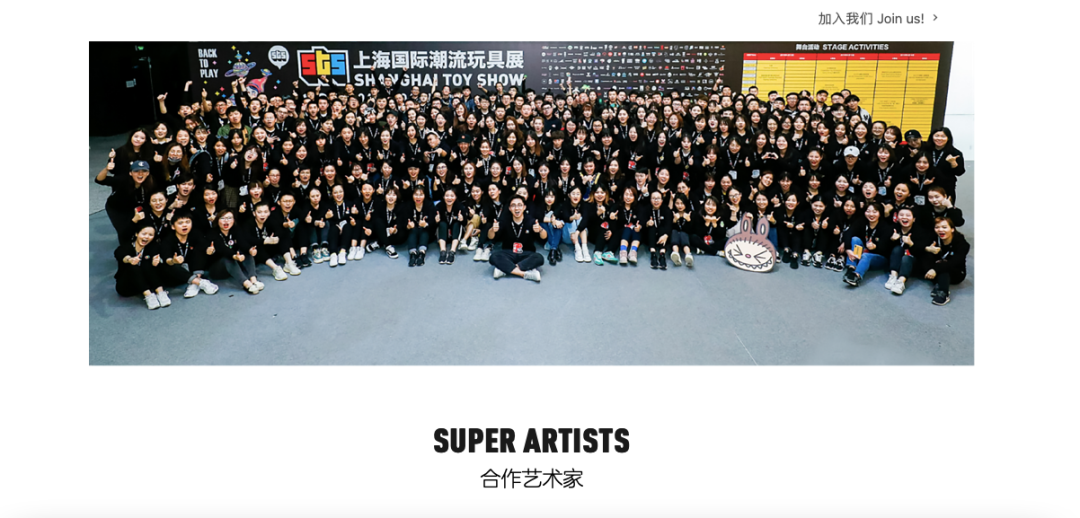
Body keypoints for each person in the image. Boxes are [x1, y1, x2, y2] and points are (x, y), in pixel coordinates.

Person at [113, 223, 171, 309]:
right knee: (133, 266)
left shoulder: (153, 247)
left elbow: (156, 257)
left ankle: (160, 292)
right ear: (137, 234)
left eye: (150, 235)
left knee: (149, 265)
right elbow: (120, 255)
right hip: (127, 285)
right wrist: (130, 259)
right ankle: (149, 296)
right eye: (144, 234)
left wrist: (155, 262)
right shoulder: (125, 247)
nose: (147, 237)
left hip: (146, 282)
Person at [488, 195, 544, 282]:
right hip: (508, 253)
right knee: (493, 257)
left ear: (524, 207)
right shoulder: (505, 220)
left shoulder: (531, 220)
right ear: (509, 208)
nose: (516, 208)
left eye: (519, 205)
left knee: (539, 258)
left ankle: (505, 270)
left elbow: (544, 236)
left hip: (526, 253)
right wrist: (492, 229)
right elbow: (490, 236)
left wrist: (540, 230)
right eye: (513, 205)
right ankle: (524, 274)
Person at [842, 202, 894, 287]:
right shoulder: (861, 221)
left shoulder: (886, 227)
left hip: (879, 257)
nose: (871, 214)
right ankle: (851, 267)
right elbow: (848, 232)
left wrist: (875, 247)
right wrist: (848, 249)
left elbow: (887, 247)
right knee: (855, 239)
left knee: (866, 256)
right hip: (863, 251)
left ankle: (856, 276)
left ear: (880, 213)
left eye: (874, 212)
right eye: (868, 211)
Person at [922, 217, 970, 306]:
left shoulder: (962, 243)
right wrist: (928, 249)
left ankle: (943, 292)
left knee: (944, 269)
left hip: (956, 272)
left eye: (944, 227)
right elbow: (919, 247)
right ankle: (938, 283)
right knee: (925, 256)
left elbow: (955, 262)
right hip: (936, 266)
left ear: (952, 229)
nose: (940, 230)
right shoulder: (933, 238)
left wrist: (935, 269)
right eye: (937, 227)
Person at [884, 207, 927, 296]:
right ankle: (893, 276)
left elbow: (922, 253)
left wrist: (911, 244)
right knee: (897, 249)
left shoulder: (920, 231)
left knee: (906, 258)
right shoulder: (893, 228)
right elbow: (885, 250)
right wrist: (892, 240)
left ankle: (901, 282)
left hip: (912, 263)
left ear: (913, 219)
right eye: (901, 215)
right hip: (896, 262)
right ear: (897, 218)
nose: (904, 217)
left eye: (908, 215)